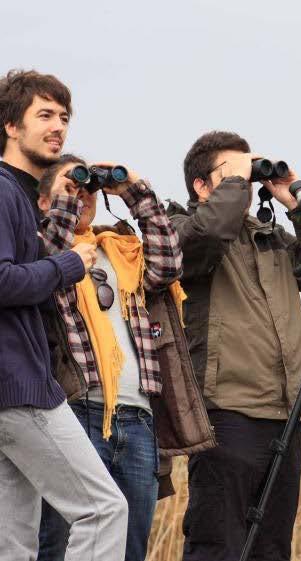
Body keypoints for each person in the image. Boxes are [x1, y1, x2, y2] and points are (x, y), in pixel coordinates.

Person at [170, 131, 301, 561]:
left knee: (271, 547)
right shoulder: (178, 227)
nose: (246, 185)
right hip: (225, 410)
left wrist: (299, 208)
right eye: (234, 176)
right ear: (201, 185)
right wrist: (237, 182)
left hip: (283, 411)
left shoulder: (270, 238)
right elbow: (207, 236)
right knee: (218, 543)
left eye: (249, 177)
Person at [33, 154, 212, 561]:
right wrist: (66, 199)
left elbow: (168, 264)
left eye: (88, 188)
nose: (83, 194)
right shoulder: (48, 256)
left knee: (131, 547)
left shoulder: (121, 251)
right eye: (71, 186)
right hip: (75, 414)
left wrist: (135, 190)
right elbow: (47, 256)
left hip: (138, 420)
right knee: (60, 546)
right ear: (45, 203)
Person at [0, 69, 128, 560]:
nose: (58, 126)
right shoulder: (4, 191)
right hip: (20, 387)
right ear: (11, 125)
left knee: (12, 543)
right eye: (45, 115)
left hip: (12, 389)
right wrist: (68, 264)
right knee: (103, 510)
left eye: (64, 117)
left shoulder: (21, 196)